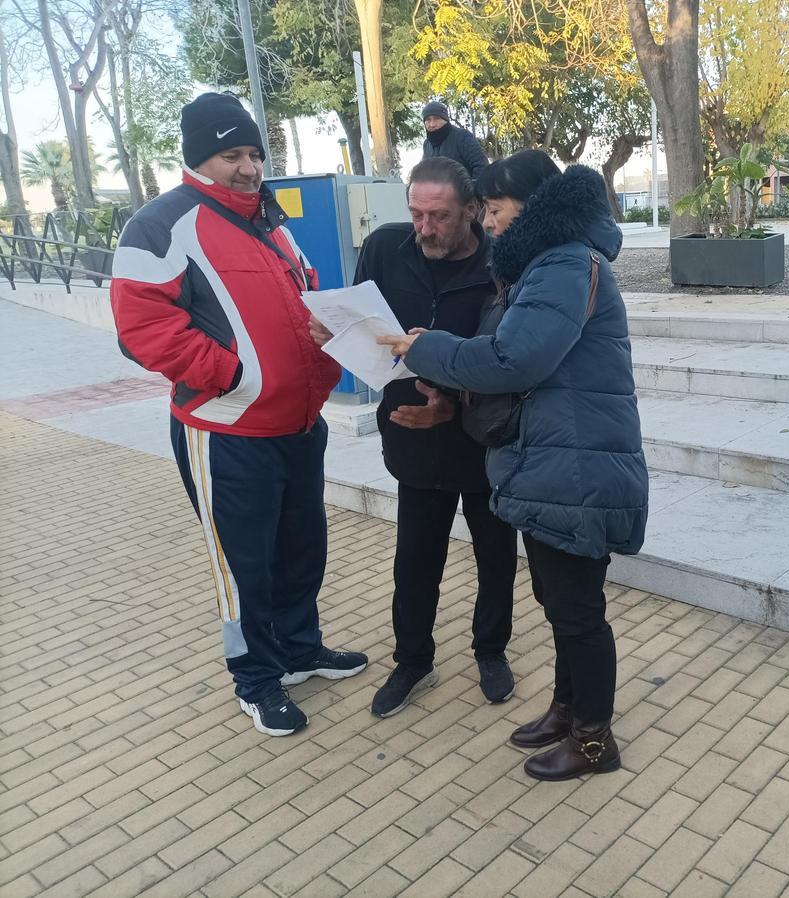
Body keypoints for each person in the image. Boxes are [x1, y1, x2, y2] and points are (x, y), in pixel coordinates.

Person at [379, 150, 649, 781]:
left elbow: (515, 359)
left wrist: (428, 349)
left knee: (577, 610)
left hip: (576, 463)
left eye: (495, 210)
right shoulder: (547, 262)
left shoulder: (562, 263)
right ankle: (567, 709)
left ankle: (593, 741)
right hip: (557, 456)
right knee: (559, 600)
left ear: (529, 207)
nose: (490, 223)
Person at [110, 92, 368, 737]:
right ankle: (255, 678)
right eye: (232, 155)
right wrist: (234, 375)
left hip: (299, 424)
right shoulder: (160, 224)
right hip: (226, 429)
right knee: (242, 563)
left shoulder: (270, 222)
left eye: (254, 152)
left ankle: (300, 650)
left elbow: (302, 301)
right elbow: (143, 327)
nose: (249, 167)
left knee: (302, 549)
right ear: (200, 158)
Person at [311, 157, 518, 717]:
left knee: (495, 555)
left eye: (440, 216)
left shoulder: (503, 260)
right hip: (411, 435)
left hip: (482, 439)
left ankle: (491, 650)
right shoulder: (384, 248)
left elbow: (507, 359)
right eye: (417, 213)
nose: (425, 227)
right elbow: (360, 324)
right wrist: (331, 333)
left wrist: (452, 403)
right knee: (414, 559)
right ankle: (413, 659)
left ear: (472, 212)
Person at [421, 100, 490, 180]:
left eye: (436, 118)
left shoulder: (462, 137)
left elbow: (482, 166)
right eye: (428, 119)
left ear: (445, 120)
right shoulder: (427, 144)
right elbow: (424, 172)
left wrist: (471, 189)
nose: (432, 124)